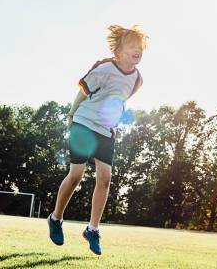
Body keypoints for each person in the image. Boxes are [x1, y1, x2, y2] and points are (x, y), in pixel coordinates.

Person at [47, 24, 148, 256]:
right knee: (76, 176)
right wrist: (71, 115)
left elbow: (120, 101)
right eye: (132, 47)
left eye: (140, 48)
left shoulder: (137, 79)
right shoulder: (104, 68)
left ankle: (92, 230)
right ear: (119, 51)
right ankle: (55, 218)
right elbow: (83, 91)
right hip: (83, 122)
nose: (137, 51)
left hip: (105, 130)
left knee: (105, 177)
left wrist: (114, 123)